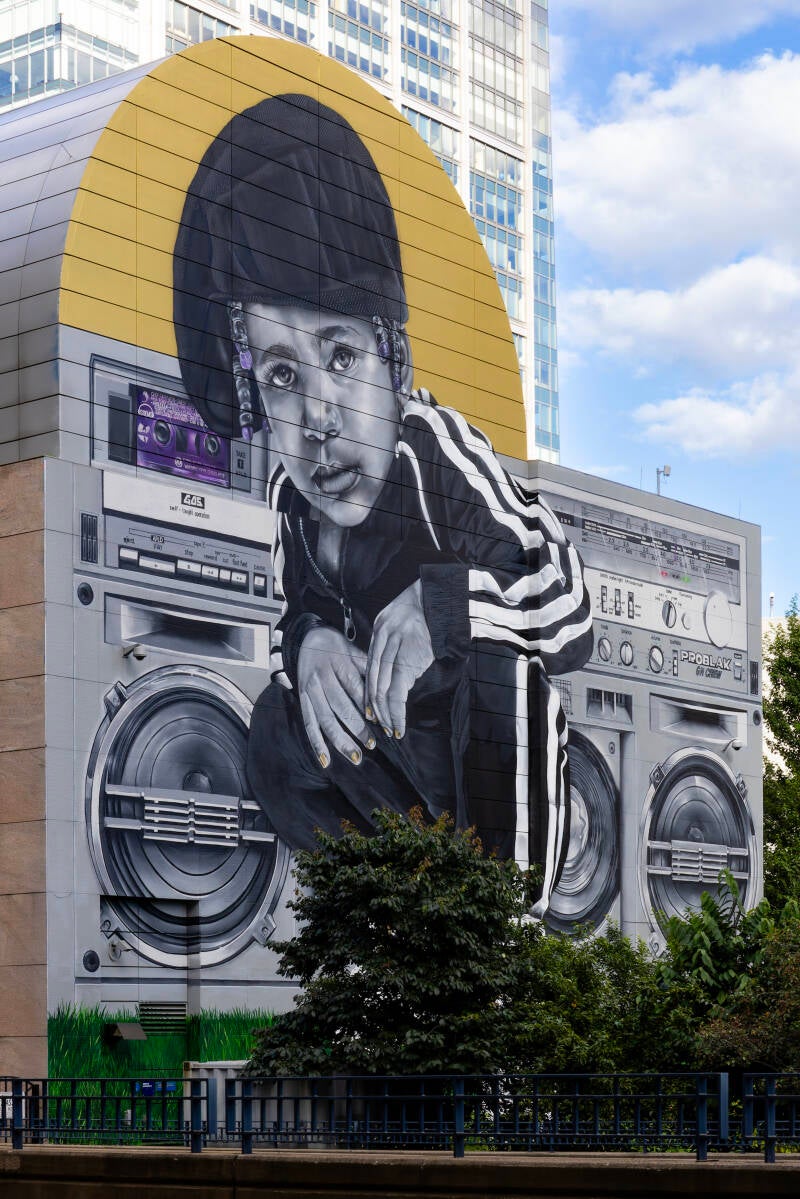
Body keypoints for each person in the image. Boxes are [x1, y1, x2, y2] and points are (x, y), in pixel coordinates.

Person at [174, 93, 593, 915]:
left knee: (501, 664)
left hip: (488, 778)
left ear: (393, 358)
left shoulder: (436, 454)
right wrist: (308, 642)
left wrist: (446, 604)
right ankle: (390, 916)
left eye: (342, 357)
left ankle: (500, 923)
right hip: (398, 773)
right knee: (280, 721)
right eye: (282, 375)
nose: (319, 418)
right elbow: (294, 611)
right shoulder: (290, 503)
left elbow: (571, 610)